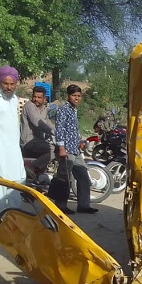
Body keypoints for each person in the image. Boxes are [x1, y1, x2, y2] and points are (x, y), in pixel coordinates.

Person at [50, 84, 96, 214]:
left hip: (75, 149)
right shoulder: (63, 110)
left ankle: (83, 205)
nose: (76, 98)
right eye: (74, 95)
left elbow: (72, 130)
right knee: (64, 178)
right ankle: (60, 206)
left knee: (83, 177)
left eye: (78, 96)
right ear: (68, 96)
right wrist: (61, 148)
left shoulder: (74, 110)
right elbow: (60, 130)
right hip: (66, 150)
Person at [0, 65, 26, 214]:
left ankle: (16, 216)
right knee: (0, 185)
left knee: (17, 182)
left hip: (14, 150)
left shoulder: (14, 99)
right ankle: (1, 219)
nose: (9, 87)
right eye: (5, 83)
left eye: (12, 84)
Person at [21, 85, 56, 174]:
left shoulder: (44, 109)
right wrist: (51, 131)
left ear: (45, 99)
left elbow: (47, 122)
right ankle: (31, 167)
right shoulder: (30, 106)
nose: (36, 99)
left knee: (56, 147)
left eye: (39, 97)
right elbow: (38, 122)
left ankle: (39, 175)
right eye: (34, 96)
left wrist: (59, 132)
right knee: (54, 149)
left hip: (38, 141)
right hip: (28, 142)